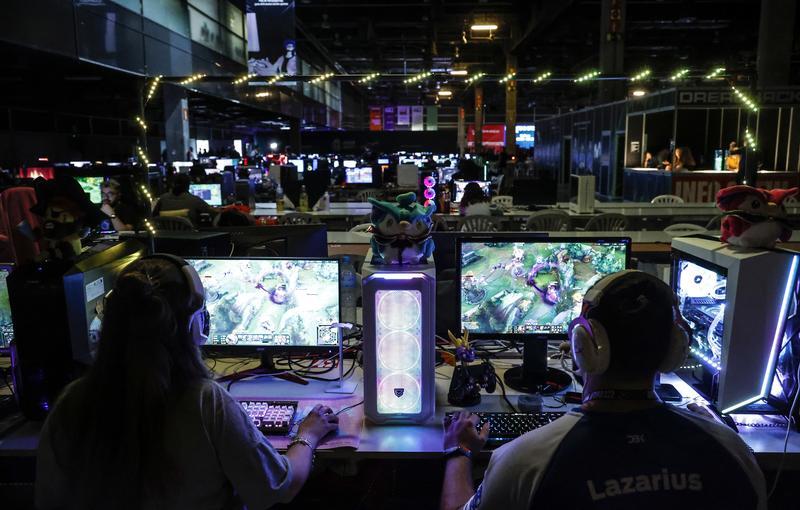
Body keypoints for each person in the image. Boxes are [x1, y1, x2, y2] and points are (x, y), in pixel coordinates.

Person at [441, 270, 766, 510]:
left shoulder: (524, 460)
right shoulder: (734, 452)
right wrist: (709, 425)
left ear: (582, 344)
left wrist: (460, 451)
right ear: (675, 348)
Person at [35, 255, 338, 509]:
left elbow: (47, 500)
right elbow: (278, 488)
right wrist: (307, 435)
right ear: (195, 324)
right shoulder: (204, 402)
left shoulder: (71, 402)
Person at [153, 173, 217, 226]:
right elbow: (213, 212)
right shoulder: (194, 200)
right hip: (190, 236)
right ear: (188, 185)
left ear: (173, 184)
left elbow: (154, 216)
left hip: (165, 236)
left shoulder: (163, 198)